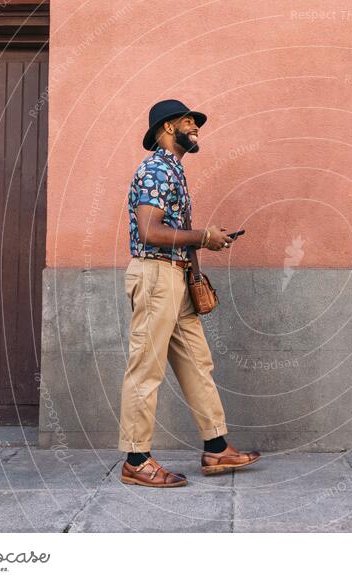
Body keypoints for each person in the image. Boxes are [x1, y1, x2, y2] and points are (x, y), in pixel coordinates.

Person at [118, 99, 260, 488]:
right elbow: (150, 232)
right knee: (145, 369)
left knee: (198, 364)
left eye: (196, 122)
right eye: (187, 121)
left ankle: (216, 447)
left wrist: (196, 275)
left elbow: (178, 234)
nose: (195, 126)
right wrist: (203, 237)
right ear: (167, 129)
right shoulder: (155, 170)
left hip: (176, 280)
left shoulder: (175, 172)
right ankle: (136, 460)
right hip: (154, 276)